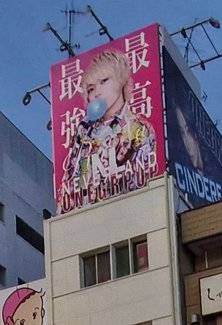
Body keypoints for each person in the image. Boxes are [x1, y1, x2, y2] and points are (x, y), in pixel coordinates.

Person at [58, 42, 160, 210]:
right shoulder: (83, 133)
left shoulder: (139, 129)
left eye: (104, 81)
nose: (97, 92)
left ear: (121, 81)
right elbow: (70, 182)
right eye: (91, 89)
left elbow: (145, 184)